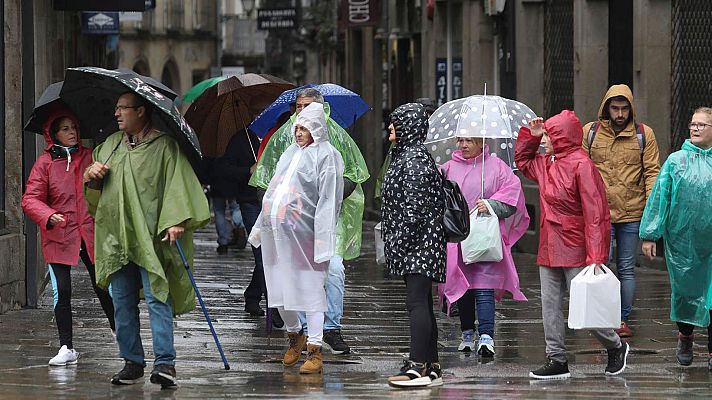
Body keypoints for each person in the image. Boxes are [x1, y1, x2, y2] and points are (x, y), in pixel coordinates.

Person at [83, 92, 210, 388]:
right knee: (121, 301)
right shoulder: (109, 146)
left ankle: (165, 364)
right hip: (117, 237)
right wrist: (92, 175)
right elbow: (95, 192)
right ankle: (132, 362)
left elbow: (179, 186)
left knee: (158, 297)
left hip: (153, 237)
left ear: (141, 111)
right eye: (116, 108)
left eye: (122, 108)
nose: (117, 113)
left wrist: (177, 220)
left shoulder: (165, 147)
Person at [250, 88, 369, 354]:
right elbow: (269, 182)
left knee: (330, 272)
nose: (300, 114)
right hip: (287, 224)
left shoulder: (333, 144)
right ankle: (300, 332)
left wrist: (333, 195)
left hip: (323, 220)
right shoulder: (285, 141)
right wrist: (272, 213)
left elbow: (350, 176)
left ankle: (329, 330)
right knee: (286, 279)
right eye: (298, 107)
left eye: (307, 107)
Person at [515, 111, 630, 380]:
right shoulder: (548, 162)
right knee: (550, 305)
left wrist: (596, 255)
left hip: (576, 245)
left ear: (560, 136)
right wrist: (531, 140)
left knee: (586, 305)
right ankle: (556, 358)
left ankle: (615, 344)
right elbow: (523, 161)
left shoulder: (582, 165)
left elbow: (596, 213)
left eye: (547, 136)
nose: (544, 141)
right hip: (550, 244)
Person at [255, 102, 344, 374]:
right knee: (279, 288)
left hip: (307, 235)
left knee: (311, 289)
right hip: (279, 234)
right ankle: (295, 336)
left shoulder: (328, 156)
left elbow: (329, 200)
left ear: (317, 129)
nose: (299, 133)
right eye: (297, 127)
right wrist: (262, 223)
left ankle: (315, 349)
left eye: (305, 128)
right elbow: (274, 189)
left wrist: (323, 240)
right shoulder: (289, 153)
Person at [22, 108, 115, 366]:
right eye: (65, 128)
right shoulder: (45, 163)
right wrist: (48, 214)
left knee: (104, 286)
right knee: (62, 291)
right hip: (59, 236)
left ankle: (122, 335)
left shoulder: (90, 157)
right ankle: (66, 347)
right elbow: (30, 199)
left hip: (90, 233)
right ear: (54, 134)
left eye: (73, 127)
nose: (72, 132)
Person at [439, 136, 529, 356]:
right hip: (459, 240)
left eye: (469, 140)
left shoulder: (497, 167)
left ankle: (487, 336)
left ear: (481, 142)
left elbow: (512, 194)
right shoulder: (447, 169)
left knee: (484, 287)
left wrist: (491, 204)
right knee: (464, 288)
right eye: (460, 140)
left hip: (486, 239)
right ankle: (467, 333)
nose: (463, 145)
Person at [583, 84, 661, 337]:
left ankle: (621, 319)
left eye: (624, 108)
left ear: (631, 109)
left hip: (631, 212)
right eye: (615, 108)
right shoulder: (591, 132)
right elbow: (580, 168)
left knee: (626, 267)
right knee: (599, 266)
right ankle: (600, 321)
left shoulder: (643, 134)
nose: (619, 114)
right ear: (606, 108)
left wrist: (651, 209)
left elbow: (652, 172)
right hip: (600, 213)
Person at [640, 107, 712, 370]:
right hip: (683, 243)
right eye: (693, 123)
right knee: (685, 293)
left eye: (702, 125)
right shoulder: (676, 161)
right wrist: (650, 234)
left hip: (711, 243)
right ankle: (686, 336)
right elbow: (660, 197)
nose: (695, 128)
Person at [381, 103, 446, 388]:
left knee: (416, 303)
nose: (390, 127)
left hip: (419, 243)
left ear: (409, 125)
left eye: (395, 122)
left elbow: (415, 209)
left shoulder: (414, 159)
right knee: (423, 303)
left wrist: (398, 242)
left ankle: (418, 365)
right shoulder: (407, 155)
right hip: (421, 242)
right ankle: (430, 364)